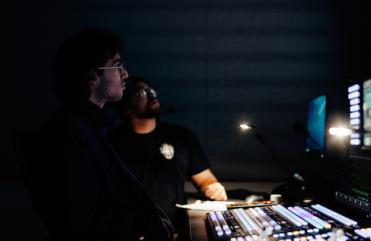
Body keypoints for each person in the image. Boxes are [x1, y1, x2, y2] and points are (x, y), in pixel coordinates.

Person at [26, 30, 173, 241]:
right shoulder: (70, 132)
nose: (125, 74)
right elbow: (82, 219)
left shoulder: (90, 126)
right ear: (91, 76)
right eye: (117, 65)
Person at [108, 75, 227, 232]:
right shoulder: (112, 141)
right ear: (126, 108)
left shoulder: (181, 136)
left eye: (151, 89)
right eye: (141, 92)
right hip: (130, 231)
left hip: (175, 230)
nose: (151, 94)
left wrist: (213, 188)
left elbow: (205, 178)